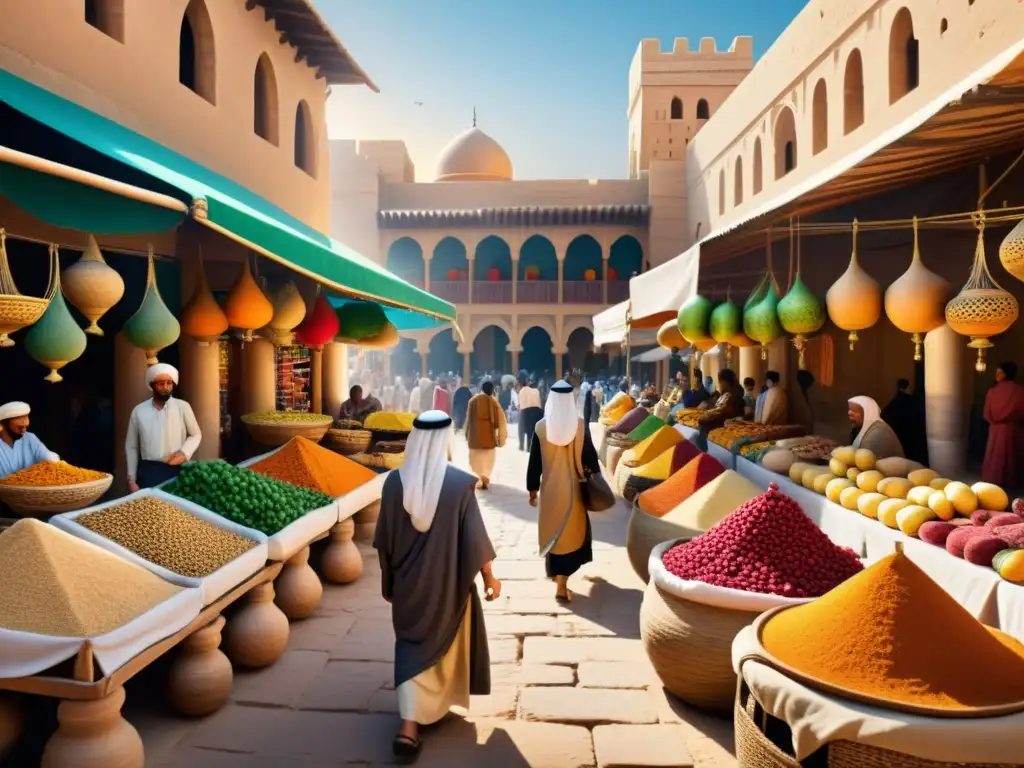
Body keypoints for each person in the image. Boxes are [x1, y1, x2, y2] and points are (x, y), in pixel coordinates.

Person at [374, 410, 500, 760]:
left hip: (408, 588)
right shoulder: (460, 484)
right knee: (441, 642)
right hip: (446, 587)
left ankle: (409, 726)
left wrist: (389, 582)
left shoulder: (393, 484)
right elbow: (475, 541)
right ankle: (422, 715)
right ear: (446, 439)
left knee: (409, 645)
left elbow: (383, 542)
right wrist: (490, 578)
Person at [527, 380, 600, 602]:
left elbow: (534, 464)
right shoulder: (579, 426)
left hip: (550, 492)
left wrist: (532, 489)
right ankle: (562, 582)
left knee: (555, 535)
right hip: (575, 492)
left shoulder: (541, 427)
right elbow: (590, 459)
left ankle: (558, 580)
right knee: (572, 534)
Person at [126, 364, 202, 491]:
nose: (166, 387)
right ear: (152, 385)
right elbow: (131, 446)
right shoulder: (139, 411)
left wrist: (184, 453)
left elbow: (196, 434)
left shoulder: (183, 407)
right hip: (149, 471)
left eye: (169, 383)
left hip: (177, 469)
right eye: (161, 383)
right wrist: (131, 479)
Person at [982, 362, 1024, 487]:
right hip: (1014, 430)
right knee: (1013, 458)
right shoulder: (1020, 391)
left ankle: (993, 483)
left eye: (999, 372)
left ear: (1005, 374)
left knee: (996, 457)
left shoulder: (993, 391)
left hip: (996, 430)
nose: (997, 375)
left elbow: (986, 413)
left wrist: (994, 422)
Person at [0, 401, 60, 480]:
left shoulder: (29, 438)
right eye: (20, 427)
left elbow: (48, 457)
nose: (24, 430)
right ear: (3, 424)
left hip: (29, 490)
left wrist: (54, 460)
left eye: (25, 427)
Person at [465, 381, 507, 491]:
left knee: (476, 460)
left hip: (475, 437)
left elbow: (468, 420)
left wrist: (467, 433)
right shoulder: (493, 402)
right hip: (489, 438)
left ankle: (480, 478)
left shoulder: (473, 401)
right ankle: (485, 478)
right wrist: (500, 437)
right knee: (488, 460)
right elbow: (500, 421)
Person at [697, 369, 745, 445]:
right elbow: (717, 409)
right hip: (717, 430)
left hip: (725, 433)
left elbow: (722, 414)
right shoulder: (724, 395)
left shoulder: (733, 397)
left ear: (724, 382)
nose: (719, 384)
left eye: (719, 381)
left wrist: (706, 417)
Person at [881, 378, 916, 459]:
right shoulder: (912, 402)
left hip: (898, 436)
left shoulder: (893, 403)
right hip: (910, 436)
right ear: (908, 387)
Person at [517, 375, 543, 452]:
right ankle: (529, 447)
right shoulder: (536, 391)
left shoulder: (522, 391)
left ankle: (521, 445)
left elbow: (520, 405)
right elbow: (539, 404)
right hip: (535, 411)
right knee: (530, 431)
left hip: (524, 411)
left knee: (521, 428)